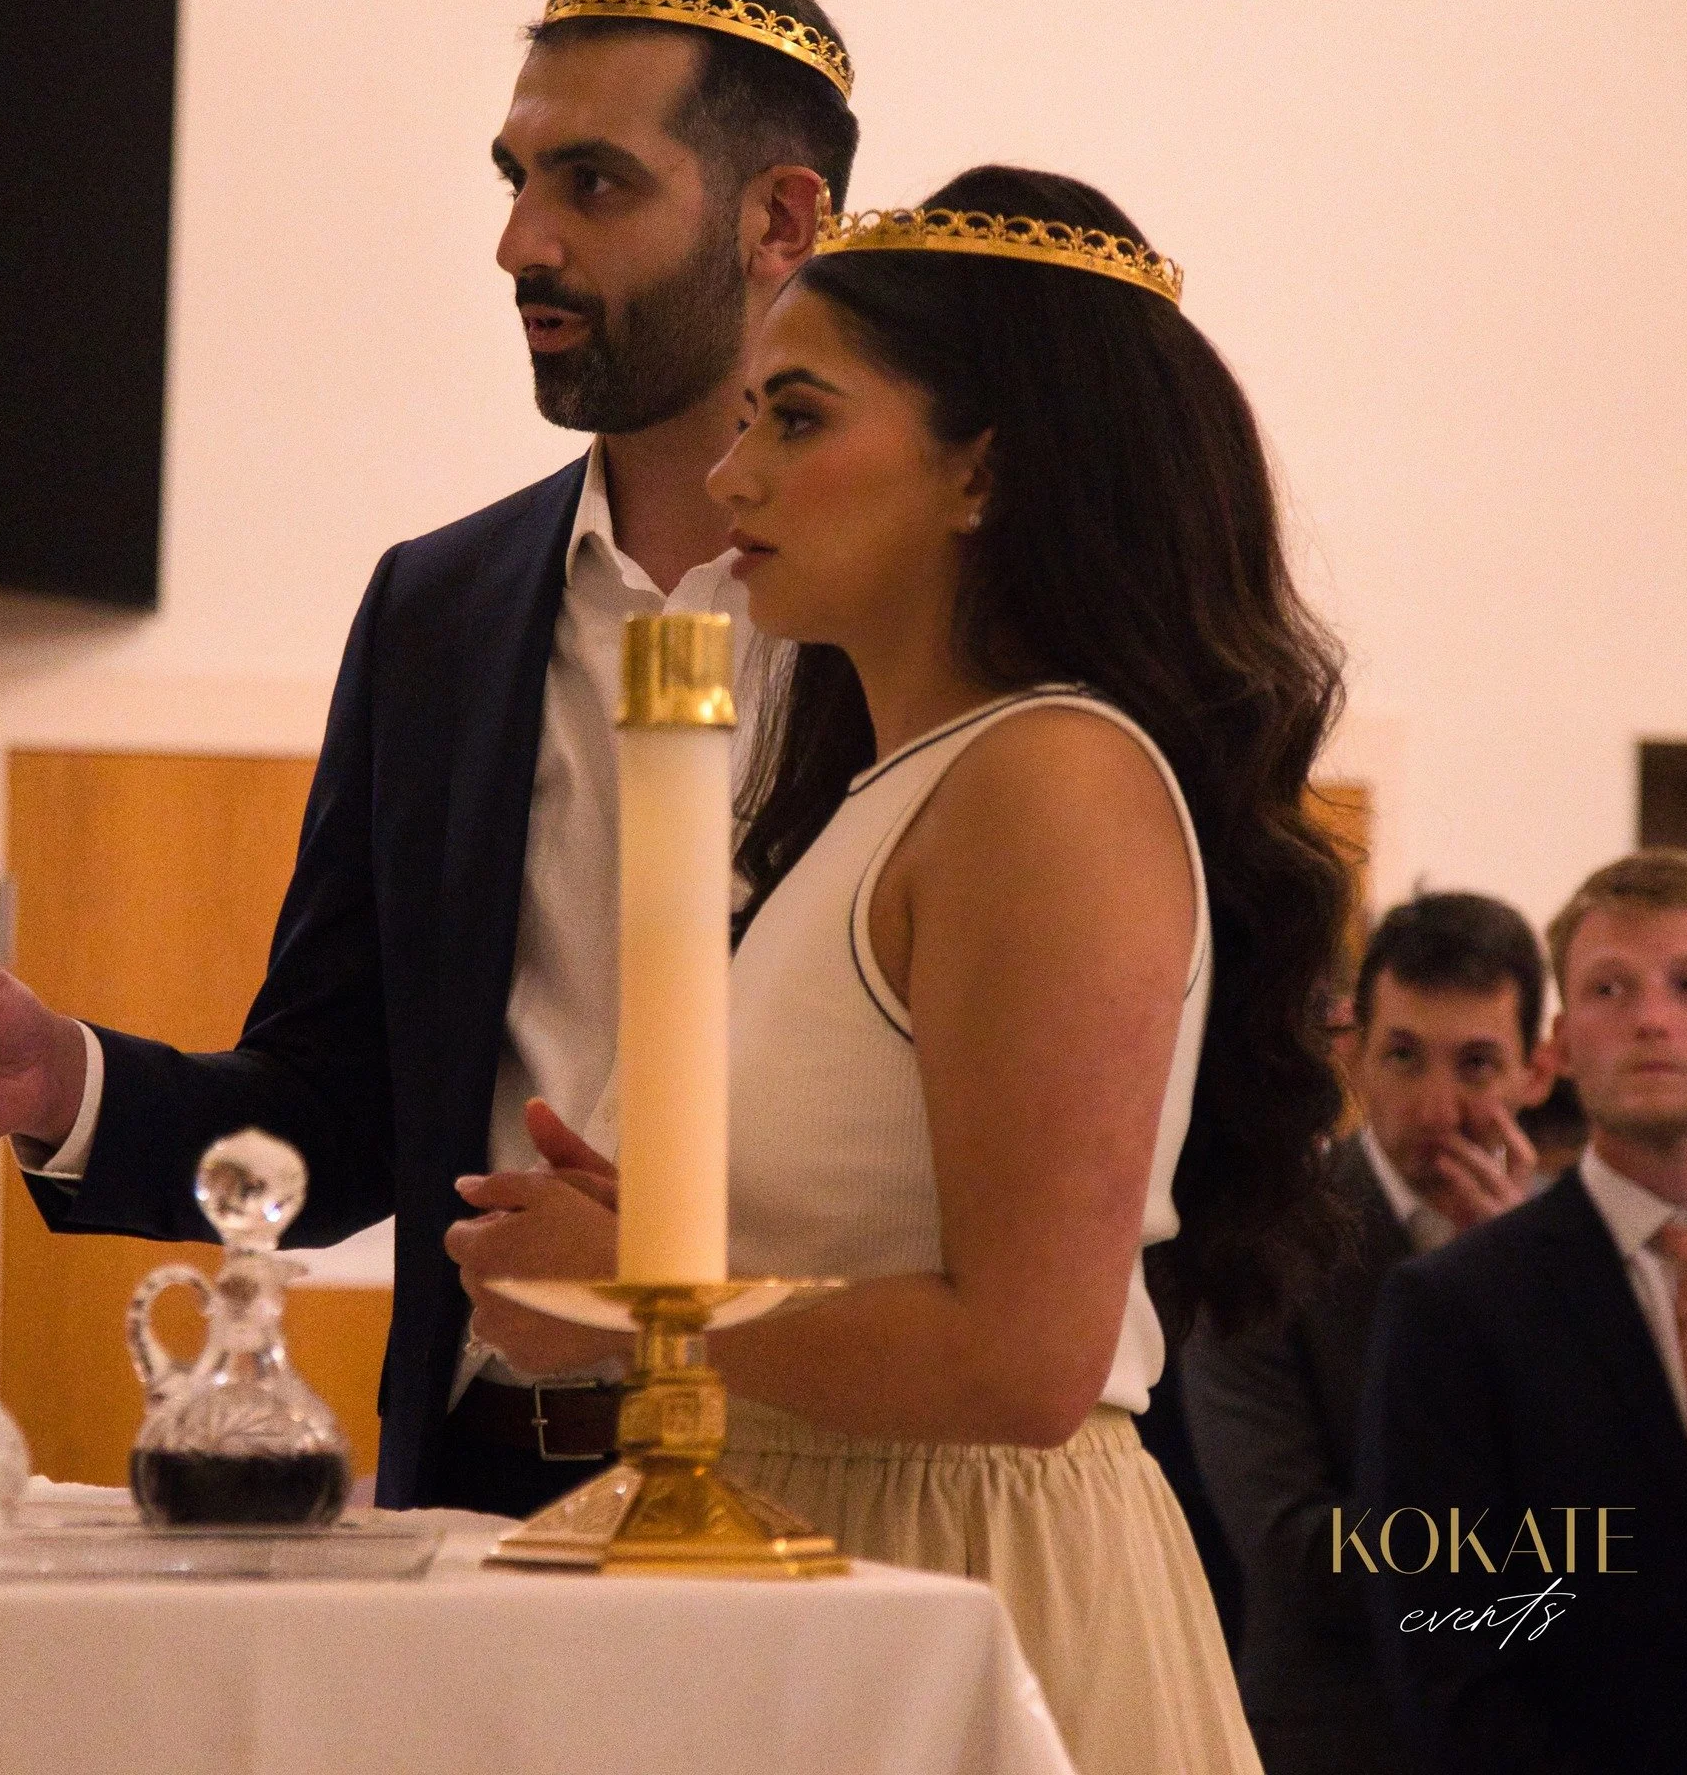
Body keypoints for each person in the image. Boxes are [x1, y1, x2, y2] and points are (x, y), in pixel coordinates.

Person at [0, 0, 859, 1516]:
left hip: (824, 1480)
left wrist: (675, 1266)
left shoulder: (918, 611)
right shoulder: (441, 609)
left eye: (595, 184)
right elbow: (340, 1112)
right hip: (481, 1488)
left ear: (778, 220)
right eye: (514, 178)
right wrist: (64, 1083)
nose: (523, 241)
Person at [449, 168, 1350, 1775]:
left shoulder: (1049, 779)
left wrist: (640, 1301)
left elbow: (1023, 1359)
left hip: (958, 1577)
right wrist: (651, 1231)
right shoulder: (894, 792)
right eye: (742, 422)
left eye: (794, 419)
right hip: (818, 1550)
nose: (731, 477)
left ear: (984, 473)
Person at [1358, 849, 1687, 1770]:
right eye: (1609, 989)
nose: (1650, 1018)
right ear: (1558, 1048)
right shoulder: (1456, 1305)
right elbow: (1443, 1640)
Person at [1182, 891, 1552, 1775]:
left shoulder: (1569, 1260)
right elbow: (1297, 1550)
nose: (1434, 1107)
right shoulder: (1263, 1248)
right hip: (1342, 1739)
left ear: (1536, 1071)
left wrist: (1517, 1298)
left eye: (1475, 1064)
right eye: (1403, 1056)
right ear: (1351, 1053)